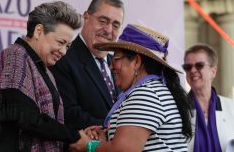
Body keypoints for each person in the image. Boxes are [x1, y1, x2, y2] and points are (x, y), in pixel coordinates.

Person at [0, 1, 83, 152]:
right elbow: (25, 117)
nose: (64, 51)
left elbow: (43, 123)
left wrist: (79, 134)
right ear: (39, 31)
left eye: (67, 46)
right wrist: (74, 135)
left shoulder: (43, 69)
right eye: (61, 42)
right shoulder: (16, 55)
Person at [70, 24, 192, 152]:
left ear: (136, 62)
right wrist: (107, 137)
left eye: (116, 58)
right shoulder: (154, 91)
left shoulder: (145, 95)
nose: (111, 67)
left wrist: (89, 145)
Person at [49, 0, 124, 131]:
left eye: (115, 25)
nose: (108, 30)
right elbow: (68, 114)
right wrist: (118, 131)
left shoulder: (119, 64)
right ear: (86, 17)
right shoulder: (62, 57)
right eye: (103, 21)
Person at [183, 44, 234, 152]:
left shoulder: (231, 107)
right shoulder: (177, 109)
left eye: (199, 65)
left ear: (213, 71)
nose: (192, 70)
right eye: (187, 67)